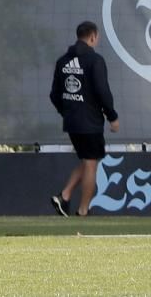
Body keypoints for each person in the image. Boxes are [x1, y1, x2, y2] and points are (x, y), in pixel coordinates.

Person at [49, 20, 119, 217]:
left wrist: (68, 112)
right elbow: (102, 91)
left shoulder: (62, 61)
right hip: (90, 122)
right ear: (93, 37)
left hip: (72, 122)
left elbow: (54, 94)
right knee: (90, 163)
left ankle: (64, 196)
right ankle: (83, 210)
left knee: (88, 159)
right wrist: (112, 116)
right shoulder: (95, 60)